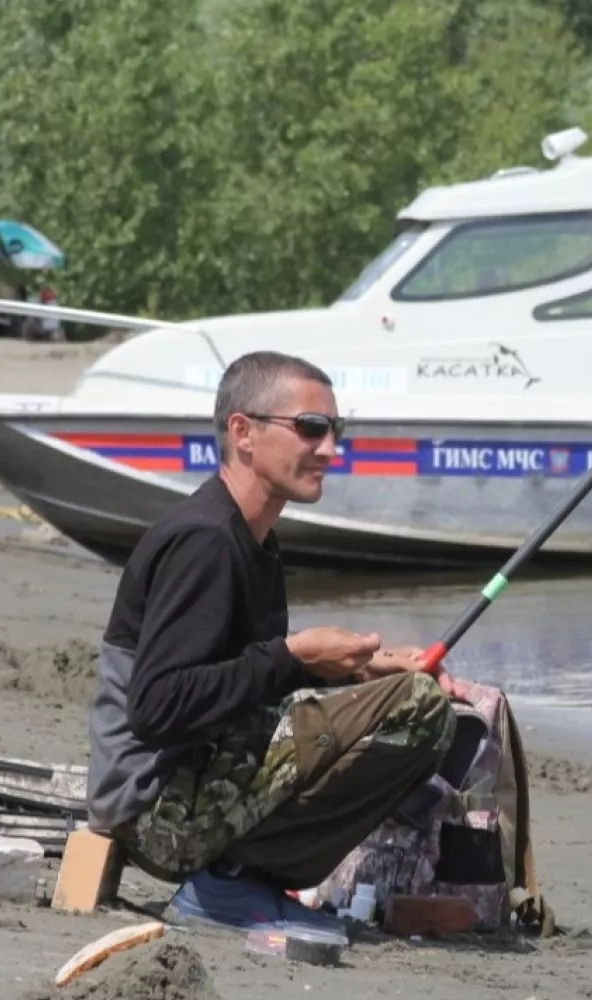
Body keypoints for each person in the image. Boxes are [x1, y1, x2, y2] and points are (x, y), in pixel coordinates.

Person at [86, 349, 459, 935]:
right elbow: (158, 708)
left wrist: (364, 668)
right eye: (311, 429)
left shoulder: (251, 536)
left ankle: (242, 883)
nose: (330, 449)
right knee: (418, 709)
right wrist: (296, 656)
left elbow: (241, 679)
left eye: (336, 431)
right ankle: (228, 886)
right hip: (155, 812)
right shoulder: (204, 542)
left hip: (189, 786)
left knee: (413, 694)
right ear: (244, 432)